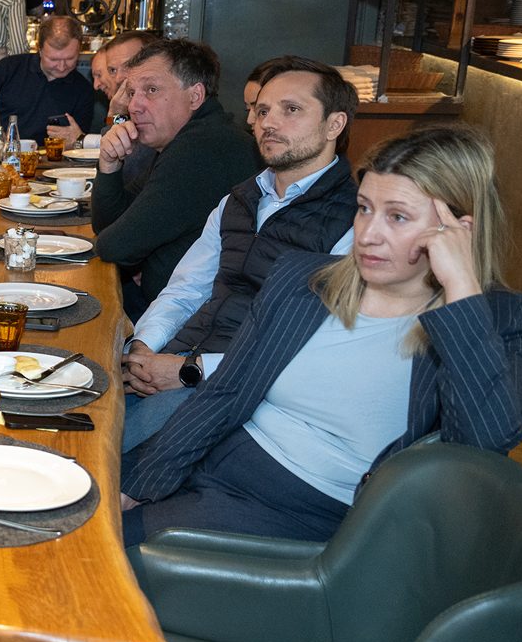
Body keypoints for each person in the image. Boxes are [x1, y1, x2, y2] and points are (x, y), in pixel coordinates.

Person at [121, 126, 522, 546]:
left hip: (305, 511)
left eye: (397, 216)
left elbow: (481, 447)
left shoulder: (502, 319)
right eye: (364, 208)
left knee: (101, 549)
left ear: (459, 232)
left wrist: (462, 294)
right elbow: (225, 393)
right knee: (85, 500)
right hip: (217, 457)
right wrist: (141, 483)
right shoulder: (302, 278)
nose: (368, 234)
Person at [122, 56, 360, 449]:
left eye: (291, 110)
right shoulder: (240, 199)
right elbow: (185, 290)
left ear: (334, 124)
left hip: (247, 396)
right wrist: (142, 348)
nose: (269, 123)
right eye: (262, 111)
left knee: (103, 459)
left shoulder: (354, 222)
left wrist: (191, 370)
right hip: (175, 359)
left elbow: (315, 346)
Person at [93, 39, 258, 317]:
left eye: (151, 90)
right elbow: (107, 225)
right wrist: (109, 164)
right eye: (132, 93)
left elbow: (113, 247)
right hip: (173, 307)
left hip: (191, 322)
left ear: (195, 97)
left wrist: (142, 258)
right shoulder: (187, 138)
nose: (134, 106)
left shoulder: (201, 147)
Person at [0, 15, 96, 143]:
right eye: (53, 59)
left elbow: (80, 144)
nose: (61, 67)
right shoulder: (9, 68)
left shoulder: (83, 89)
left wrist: (77, 140)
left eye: (70, 59)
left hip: (47, 155)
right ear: (39, 49)